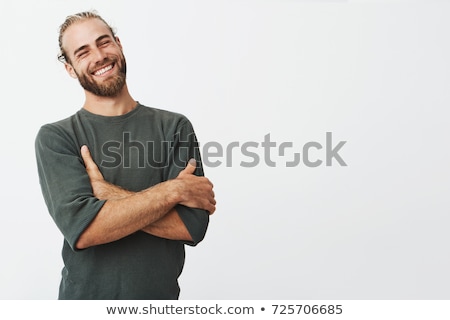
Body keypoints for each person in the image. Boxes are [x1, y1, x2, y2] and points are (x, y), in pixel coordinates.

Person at [35, 11, 216, 300]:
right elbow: (84, 231)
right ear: (70, 68)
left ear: (118, 44)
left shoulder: (173, 127)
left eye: (103, 42)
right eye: (83, 52)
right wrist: (174, 190)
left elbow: (191, 226)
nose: (99, 56)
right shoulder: (57, 137)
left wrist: (106, 194)